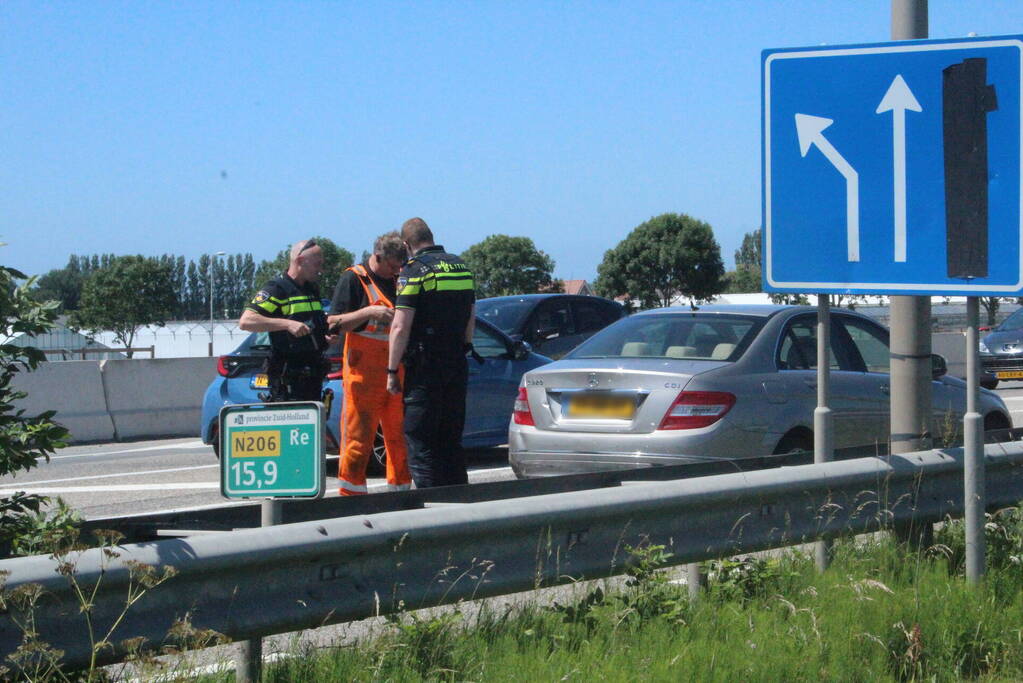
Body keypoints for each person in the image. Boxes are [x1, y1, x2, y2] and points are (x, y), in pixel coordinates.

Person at [387, 217, 476, 488]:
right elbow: (471, 315)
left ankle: (430, 503)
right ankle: (461, 500)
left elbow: (400, 326)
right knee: (450, 438)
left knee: (420, 439)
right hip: (456, 362)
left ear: (406, 245)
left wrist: (391, 370)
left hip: (425, 366)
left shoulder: (414, 271)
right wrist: (464, 346)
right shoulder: (460, 266)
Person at [329, 232, 412, 495]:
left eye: (399, 266)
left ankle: (400, 493)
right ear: (377, 256)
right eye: (392, 266)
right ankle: (351, 496)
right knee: (358, 439)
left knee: (399, 438)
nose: (395, 271)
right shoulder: (354, 279)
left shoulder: (400, 279)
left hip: (396, 372)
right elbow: (333, 323)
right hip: (363, 375)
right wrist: (369, 312)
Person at [239, 239, 330, 402]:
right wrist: (287, 324)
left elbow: (313, 325)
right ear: (300, 261)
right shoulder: (277, 288)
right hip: (288, 380)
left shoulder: (311, 289)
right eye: (317, 264)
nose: (321, 269)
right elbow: (246, 321)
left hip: (313, 376)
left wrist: (325, 337)